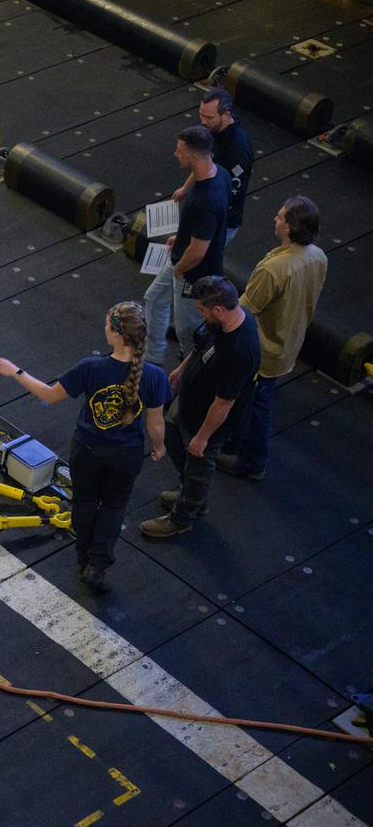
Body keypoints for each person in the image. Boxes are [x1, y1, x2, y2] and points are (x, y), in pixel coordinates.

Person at [0, 302, 169, 591]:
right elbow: (155, 424)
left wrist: (14, 371)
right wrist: (159, 447)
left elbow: (48, 395)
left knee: (84, 502)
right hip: (126, 456)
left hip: (87, 451)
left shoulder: (91, 367)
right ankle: (98, 565)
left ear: (115, 333)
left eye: (107, 325)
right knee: (114, 506)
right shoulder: (156, 376)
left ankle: (83, 556)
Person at [139, 276, 260, 539]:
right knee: (171, 436)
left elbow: (224, 403)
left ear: (218, 310)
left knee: (198, 467)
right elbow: (201, 345)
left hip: (209, 421)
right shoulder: (220, 323)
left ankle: (183, 517)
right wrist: (182, 370)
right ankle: (190, 494)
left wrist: (202, 438)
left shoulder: (238, 351)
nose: (200, 315)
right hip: (189, 403)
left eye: (202, 310)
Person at [217, 197, 327, 480]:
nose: (274, 219)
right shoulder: (317, 256)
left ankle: (252, 461)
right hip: (289, 340)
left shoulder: (274, 269)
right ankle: (238, 442)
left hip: (265, 347)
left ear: (289, 227)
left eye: (279, 217)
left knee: (257, 404)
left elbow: (245, 308)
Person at [143, 125, 232, 365]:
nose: (175, 154)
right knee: (153, 298)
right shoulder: (219, 173)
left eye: (179, 151)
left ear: (193, 156)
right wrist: (180, 238)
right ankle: (152, 356)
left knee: (187, 329)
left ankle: (190, 367)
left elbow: (198, 251)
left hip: (191, 274)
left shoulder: (207, 200)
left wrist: (180, 270)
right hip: (181, 257)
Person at [177, 89, 254, 244]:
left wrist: (205, 219)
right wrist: (185, 188)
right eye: (201, 114)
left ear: (226, 114)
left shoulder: (237, 150)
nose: (203, 121)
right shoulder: (212, 129)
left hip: (222, 221)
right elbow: (204, 160)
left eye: (209, 117)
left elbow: (232, 194)